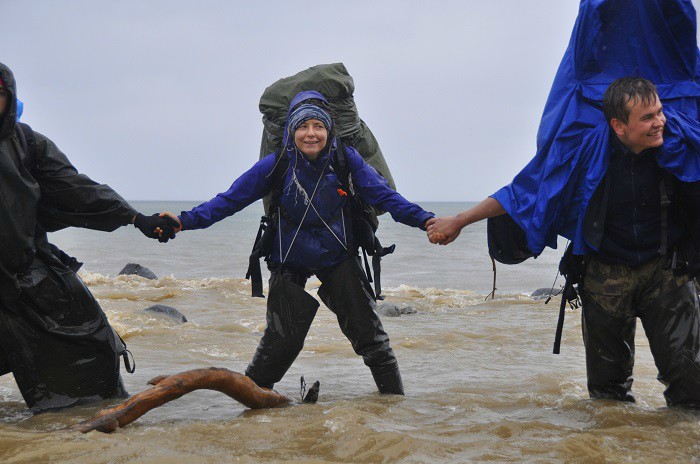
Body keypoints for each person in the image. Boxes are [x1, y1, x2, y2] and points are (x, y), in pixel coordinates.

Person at [426, 0, 700, 408]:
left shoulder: (683, 141)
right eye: (648, 119)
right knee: (607, 399)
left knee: (692, 392)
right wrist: (460, 220)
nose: (660, 122)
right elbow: (526, 189)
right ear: (618, 126)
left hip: (668, 272)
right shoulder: (584, 151)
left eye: (660, 111)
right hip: (606, 274)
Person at [159, 90, 433, 394]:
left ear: (329, 131)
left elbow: (386, 197)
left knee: (371, 337)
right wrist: (184, 221)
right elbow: (229, 200)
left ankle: (394, 405)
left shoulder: (346, 161)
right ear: (292, 131)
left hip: (338, 256)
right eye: (303, 126)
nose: (311, 134)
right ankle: (255, 406)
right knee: (279, 343)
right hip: (288, 258)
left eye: (318, 126)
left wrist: (426, 221)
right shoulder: (276, 165)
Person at [0, 62, 178, 412]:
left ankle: (84, 427)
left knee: (92, 337)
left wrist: (133, 216)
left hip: (23, 270)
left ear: (9, 97)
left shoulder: (28, 143)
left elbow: (76, 188)